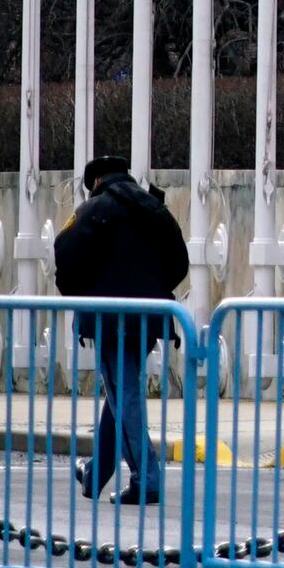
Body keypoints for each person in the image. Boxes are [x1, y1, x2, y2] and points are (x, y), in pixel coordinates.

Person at [50, 158, 189, 507]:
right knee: (121, 393)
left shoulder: (92, 210)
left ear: (97, 179)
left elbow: (64, 260)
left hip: (110, 319)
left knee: (123, 393)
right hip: (149, 316)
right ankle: (95, 472)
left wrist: (85, 296)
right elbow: (179, 262)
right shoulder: (153, 208)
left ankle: (147, 478)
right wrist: (153, 290)